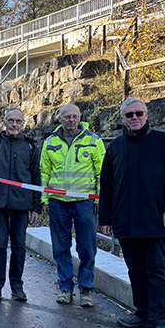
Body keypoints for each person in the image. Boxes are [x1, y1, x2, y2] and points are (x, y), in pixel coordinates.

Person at [99, 97, 165, 328]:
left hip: (155, 221)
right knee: (135, 270)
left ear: (147, 115)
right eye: (129, 115)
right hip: (125, 221)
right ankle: (142, 313)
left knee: (158, 272)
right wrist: (105, 218)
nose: (134, 117)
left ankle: (161, 323)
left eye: (139, 113)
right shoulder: (116, 147)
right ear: (122, 119)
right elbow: (106, 186)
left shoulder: (163, 142)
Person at [40, 103, 105, 307]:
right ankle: (65, 287)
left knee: (87, 247)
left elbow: (101, 173)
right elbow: (44, 173)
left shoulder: (94, 141)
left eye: (74, 116)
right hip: (58, 203)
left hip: (85, 203)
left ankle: (86, 289)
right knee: (61, 248)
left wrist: (98, 199)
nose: (71, 120)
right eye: (67, 116)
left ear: (80, 118)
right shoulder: (50, 142)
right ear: (59, 119)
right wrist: (44, 199)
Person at [0, 108, 41, 301]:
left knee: (19, 247)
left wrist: (36, 207)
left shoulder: (31, 147)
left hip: (21, 205)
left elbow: (36, 178)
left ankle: (17, 286)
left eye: (18, 121)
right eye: (11, 121)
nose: (14, 125)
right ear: (4, 122)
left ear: (23, 123)